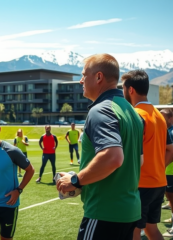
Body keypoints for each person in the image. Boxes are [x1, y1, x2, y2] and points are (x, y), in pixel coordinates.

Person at [57, 54, 144, 240]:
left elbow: (113, 157)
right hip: (129, 211)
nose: (80, 80)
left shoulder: (101, 110)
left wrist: (76, 180)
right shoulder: (132, 112)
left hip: (104, 212)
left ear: (98, 77)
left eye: (83, 75)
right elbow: (139, 160)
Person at [122, 70, 173, 240]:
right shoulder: (159, 116)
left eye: (123, 88)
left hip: (141, 184)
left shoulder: (136, 116)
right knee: (152, 229)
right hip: (159, 182)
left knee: (134, 231)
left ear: (130, 90)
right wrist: (158, 168)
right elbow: (170, 150)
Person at [160, 109, 173, 235]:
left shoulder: (172, 132)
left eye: (163, 117)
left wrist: (162, 166)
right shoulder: (167, 130)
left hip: (170, 171)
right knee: (170, 197)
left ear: (170, 119)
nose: (160, 119)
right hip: (167, 170)